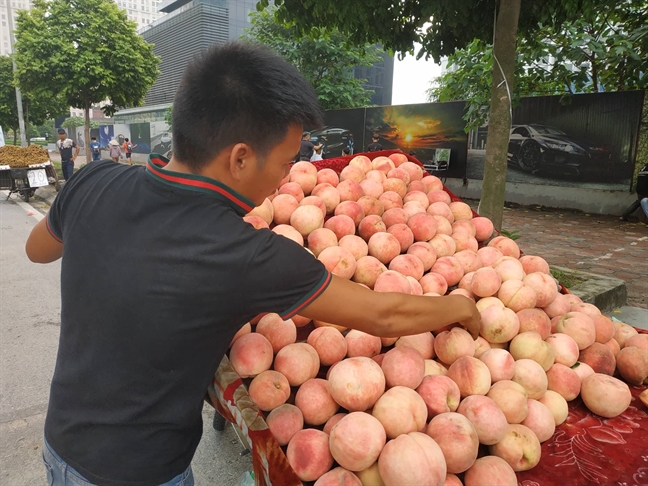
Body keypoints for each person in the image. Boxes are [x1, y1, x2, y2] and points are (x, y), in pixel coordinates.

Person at [25, 42, 480, 486]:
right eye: (286, 163)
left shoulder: (93, 180)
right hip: (142, 471)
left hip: (62, 443)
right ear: (240, 157)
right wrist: (459, 308)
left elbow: (36, 249)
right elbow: (382, 314)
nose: (288, 175)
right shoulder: (248, 255)